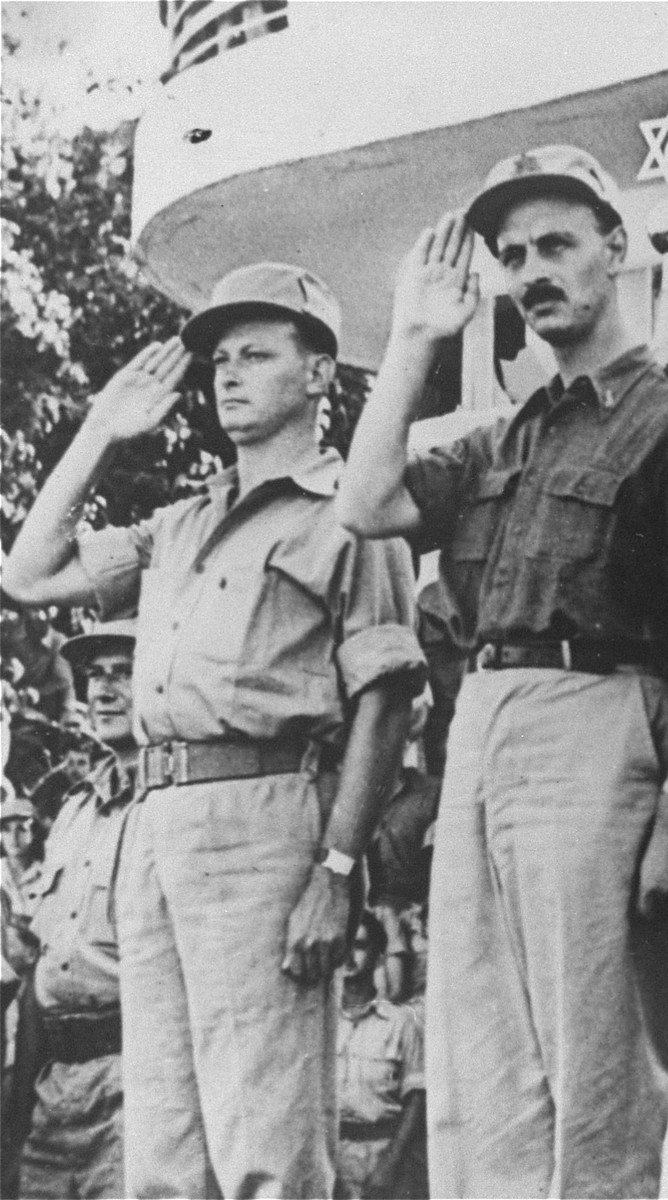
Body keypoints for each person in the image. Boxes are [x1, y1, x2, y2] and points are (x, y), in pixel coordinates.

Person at [338, 145, 668, 1196]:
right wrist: (414, 337)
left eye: (556, 244)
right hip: (485, 721)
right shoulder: (502, 435)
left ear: (614, 247)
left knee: (594, 1055)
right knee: (482, 1054)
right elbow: (368, 502)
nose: (532, 272)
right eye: (512, 255)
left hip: (603, 718)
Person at [2, 262, 426, 1198]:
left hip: (266, 819)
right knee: (163, 1147)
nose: (226, 375)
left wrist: (338, 872)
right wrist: (99, 431)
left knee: (265, 1142)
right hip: (160, 823)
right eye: (218, 359)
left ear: (319, 373)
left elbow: (385, 701)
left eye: (256, 354)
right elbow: (27, 574)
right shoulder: (181, 523)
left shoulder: (354, 513)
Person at [9, 621, 140, 1199]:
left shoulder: (175, 805)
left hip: (136, 1079)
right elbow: (43, 964)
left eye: (123, 674)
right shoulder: (73, 813)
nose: (102, 692)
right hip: (56, 1086)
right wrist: (17, 1114)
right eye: (94, 677)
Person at [336, 910, 427, 1200]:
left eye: (360, 945)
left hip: (383, 1152)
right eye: (345, 944)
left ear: (378, 957)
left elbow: (416, 1098)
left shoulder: (402, 1022)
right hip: (333, 1157)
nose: (350, 955)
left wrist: (389, 1164)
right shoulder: (323, 1023)